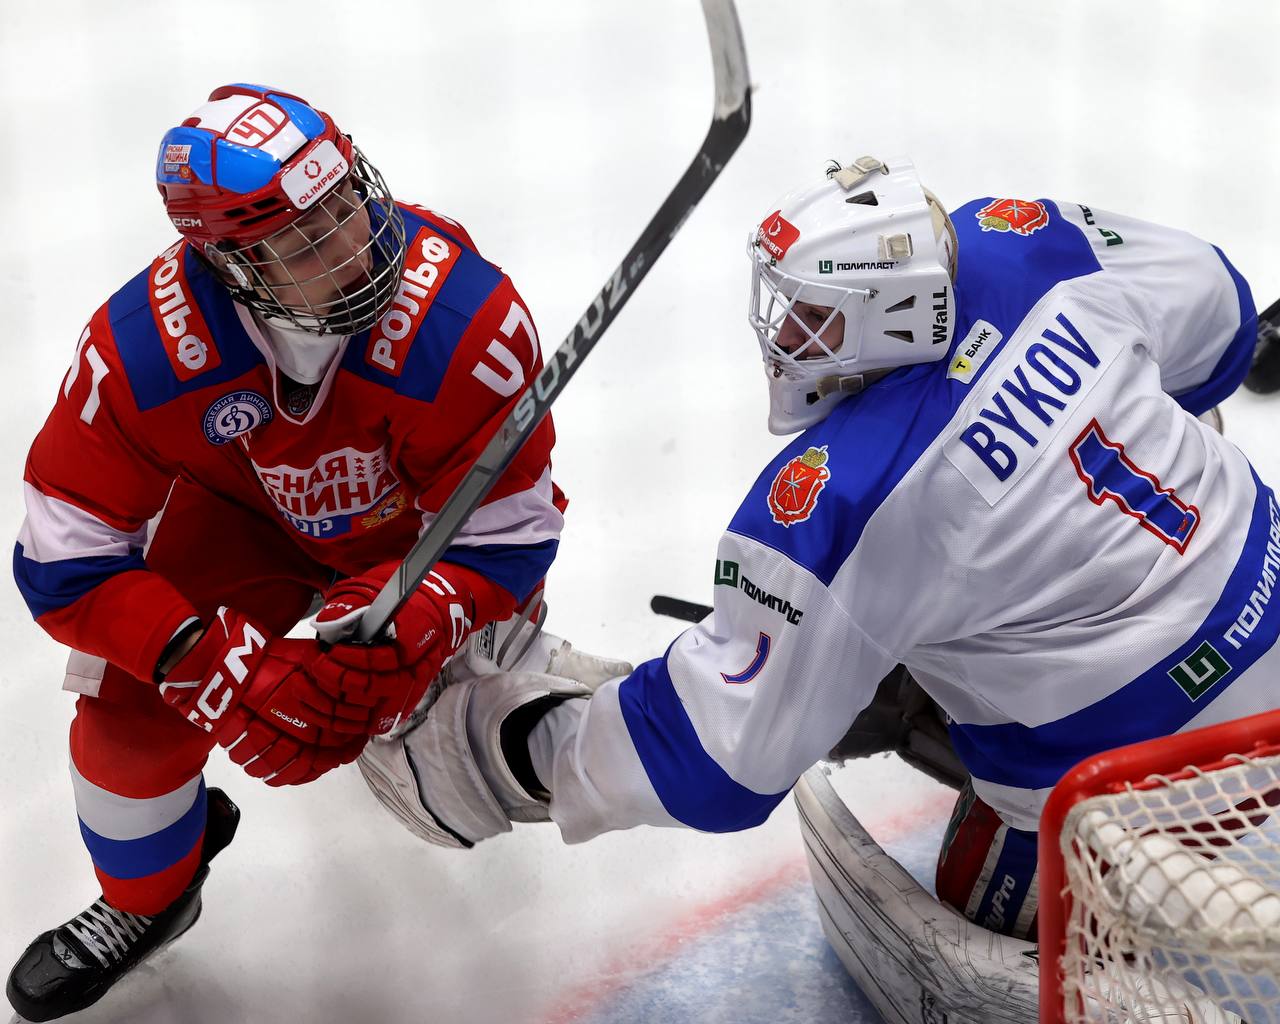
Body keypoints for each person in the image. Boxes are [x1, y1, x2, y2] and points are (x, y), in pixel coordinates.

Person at [355, 156, 1273, 945]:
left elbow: (715, 762)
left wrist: (506, 751)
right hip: (1267, 590)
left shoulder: (836, 494)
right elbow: (1222, 317)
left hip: (1139, 769)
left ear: (897, 316)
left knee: (985, 906)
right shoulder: (1018, 238)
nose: (782, 337)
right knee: (1152, 425)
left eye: (814, 320)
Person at [8, 83, 567, 1022]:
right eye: (308, 242)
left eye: (349, 204)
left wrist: (421, 616)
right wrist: (201, 661)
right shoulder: (144, 348)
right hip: (243, 520)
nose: (356, 248)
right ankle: (148, 899)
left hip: (415, 542)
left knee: (470, 748)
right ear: (230, 264)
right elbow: (61, 552)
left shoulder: (463, 316)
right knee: (124, 731)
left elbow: (513, 528)